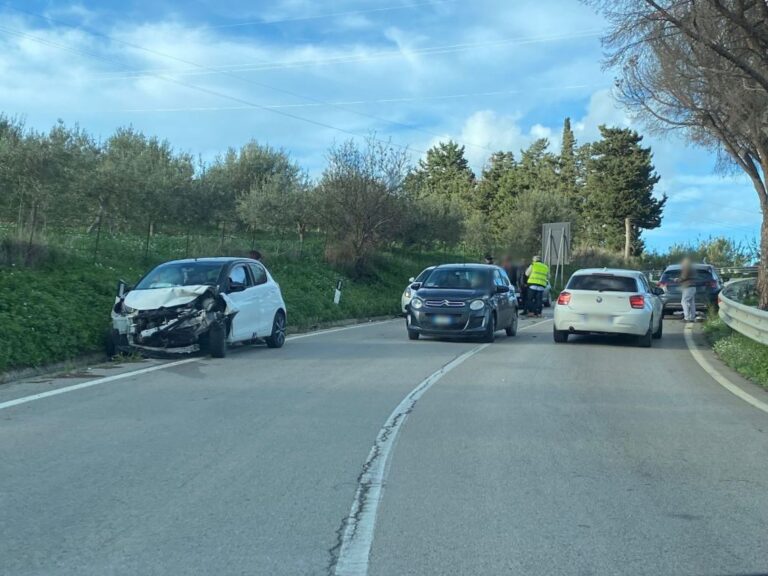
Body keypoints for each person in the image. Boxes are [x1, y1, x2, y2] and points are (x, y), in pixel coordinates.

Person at [678, 257, 697, 322]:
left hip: (688, 287)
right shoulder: (692, 269)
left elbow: (683, 277)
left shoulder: (686, 268)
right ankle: (692, 317)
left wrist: (677, 280)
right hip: (693, 287)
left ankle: (687, 317)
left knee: (684, 301)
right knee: (691, 302)